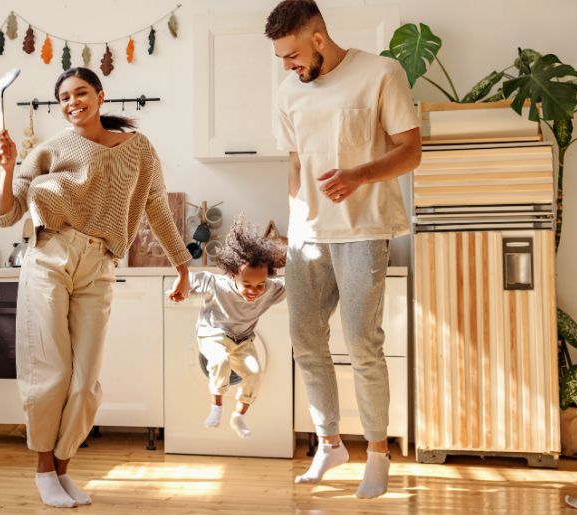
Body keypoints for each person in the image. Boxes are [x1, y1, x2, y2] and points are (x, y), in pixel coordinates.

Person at [0, 67, 192, 508]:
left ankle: (63, 468)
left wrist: (182, 265)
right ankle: (45, 469)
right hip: (49, 256)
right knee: (51, 371)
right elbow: (7, 214)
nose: (72, 102)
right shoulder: (50, 149)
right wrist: (6, 169)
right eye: (64, 97)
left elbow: (157, 206)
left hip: (98, 264)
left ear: (100, 96)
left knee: (86, 381)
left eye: (81, 93)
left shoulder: (138, 149)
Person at [265, 0, 422, 499]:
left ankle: (377, 453)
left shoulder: (380, 72)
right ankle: (329, 442)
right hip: (308, 235)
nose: (287, 67)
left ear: (317, 38)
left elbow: (411, 149)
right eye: (280, 59)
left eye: (291, 55)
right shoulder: (289, 91)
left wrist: (358, 175)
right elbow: (295, 163)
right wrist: (292, 223)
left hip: (363, 229)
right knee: (306, 342)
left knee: (361, 343)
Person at [172, 216, 286, 439]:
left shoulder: (271, 289)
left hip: (242, 340)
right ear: (234, 274)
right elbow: (188, 281)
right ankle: (216, 407)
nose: (254, 290)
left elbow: (296, 283)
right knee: (220, 360)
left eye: (260, 284)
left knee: (255, 373)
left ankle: (238, 416)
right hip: (213, 334)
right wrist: (179, 290)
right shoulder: (217, 284)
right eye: (248, 284)